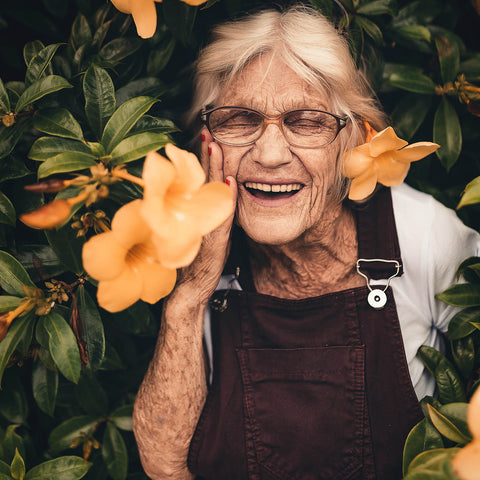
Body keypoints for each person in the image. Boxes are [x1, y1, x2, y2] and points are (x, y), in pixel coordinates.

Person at [132, 5, 480, 479]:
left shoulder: (426, 238)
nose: (270, 154)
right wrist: (190, 295)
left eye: (308, 121)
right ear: (206, 142)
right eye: (239, 119)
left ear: (351, 139)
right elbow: (164, 467)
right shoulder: (193, 246)